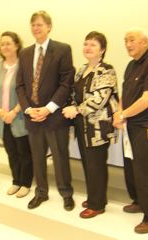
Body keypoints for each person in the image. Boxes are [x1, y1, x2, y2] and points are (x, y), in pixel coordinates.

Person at [16, 10, 75, 210]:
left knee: (60, 158)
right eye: (33, 25)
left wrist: (48, 109)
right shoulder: (24, 54)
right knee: (37, 158)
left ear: (49, 27)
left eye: (40, 24)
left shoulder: (62, 50)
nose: (36, 28)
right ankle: (41, 192)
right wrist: (28, 109)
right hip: (33, 117)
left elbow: (66, 84)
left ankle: (66, 192)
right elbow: (20, 86)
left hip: (55, 116)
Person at [113, 28, 148, 234]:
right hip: (131, 125)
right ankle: (139, 201)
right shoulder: (131, 65)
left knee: (147, 171)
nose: (128, 44)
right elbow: (125, 94)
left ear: (145, 42)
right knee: (133, 168)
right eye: (125, 40)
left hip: (146, 126)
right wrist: (119, 113)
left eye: (132, 40)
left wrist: (123, 115)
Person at [63, 31, 119, 218]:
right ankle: (95, 196)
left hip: (97, 127)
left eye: (93, 45)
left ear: (102, 50)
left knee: (96, 166)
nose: (88, 48)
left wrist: (76, 110)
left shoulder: (107, 70)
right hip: (82, 126)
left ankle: (97, 204)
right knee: (88, 164)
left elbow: (100, 99)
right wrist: (71, 106)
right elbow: (74, 95)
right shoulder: (81, 70)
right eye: (86, 44)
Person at [0, 32, 33, 198]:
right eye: (1, 44)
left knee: (24, 152)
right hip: (2, 119)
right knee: (11, 152)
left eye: (8, 43)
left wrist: (13, 112)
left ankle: (26, 183)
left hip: (19, 118)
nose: (4, 47)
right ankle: (16, 181)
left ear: (16, 45)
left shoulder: (24, 66)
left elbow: (28, 93)